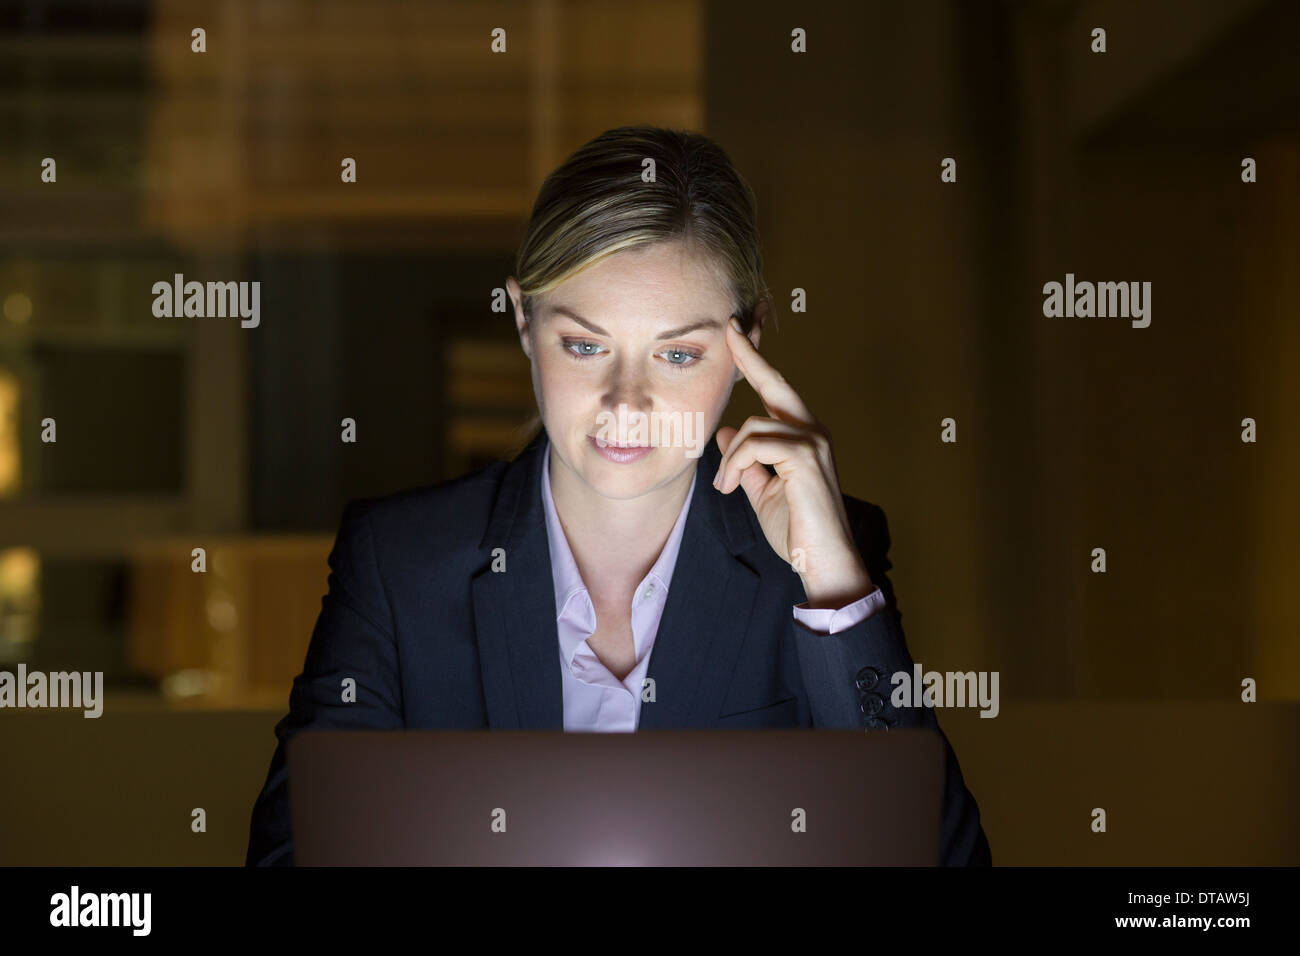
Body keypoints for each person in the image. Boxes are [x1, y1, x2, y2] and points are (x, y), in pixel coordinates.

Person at [245, 125, 992, 866]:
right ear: (523, 320)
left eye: (678, 354)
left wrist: (833, 586)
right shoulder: (397, 563)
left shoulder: (827, 561)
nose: (626, 403)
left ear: (751, 343)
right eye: (585, 345)